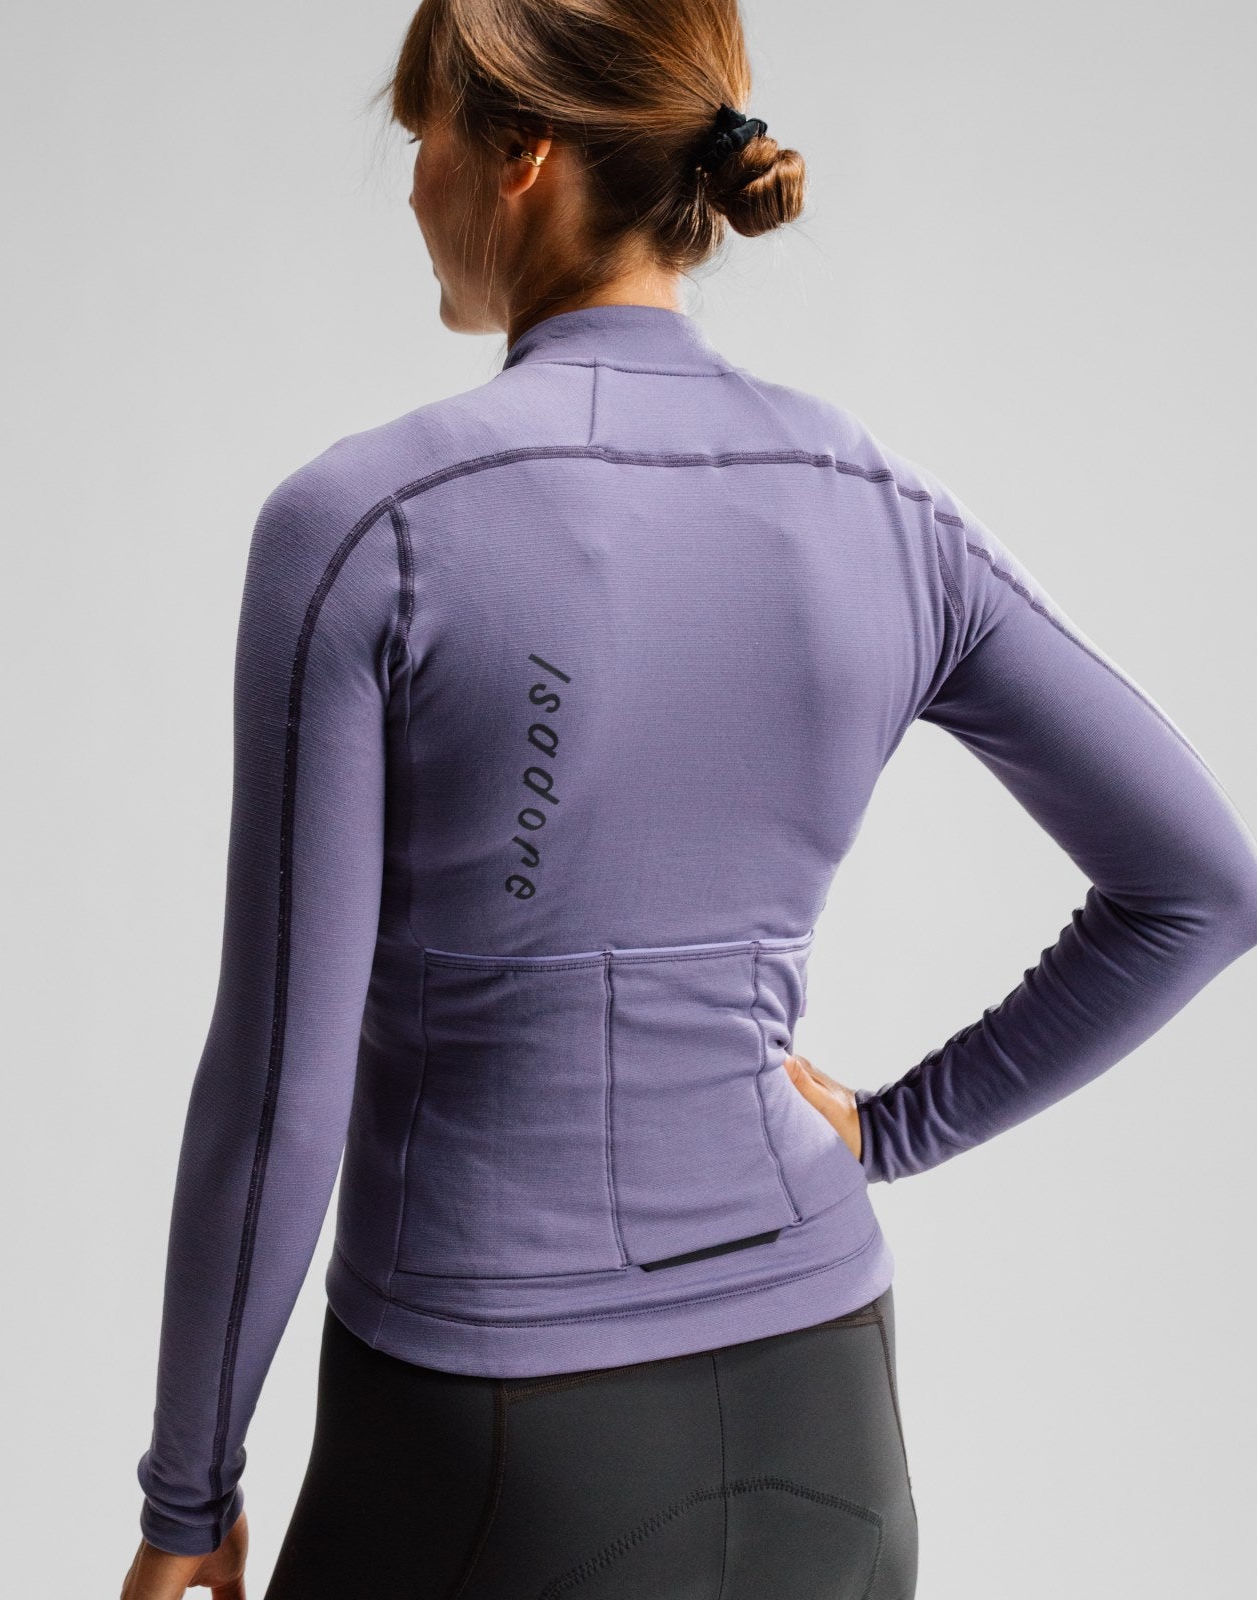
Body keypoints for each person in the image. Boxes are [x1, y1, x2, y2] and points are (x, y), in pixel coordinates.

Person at [121, 2, 1257, 1597]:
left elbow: (275, 1089)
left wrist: (189, 1497)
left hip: (498, 1447)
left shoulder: (368, 526)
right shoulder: (880, 511)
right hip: (830, 1424)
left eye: (422, 132)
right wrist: (888, 1133)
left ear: (521, 150)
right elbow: (1206, 883)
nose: (411, 183)